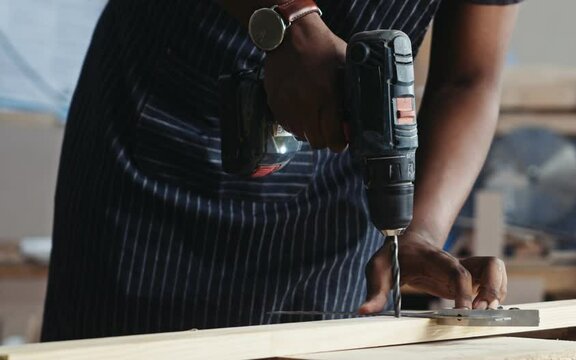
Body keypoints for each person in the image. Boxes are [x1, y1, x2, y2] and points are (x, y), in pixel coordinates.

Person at [41, 0, 521, 341]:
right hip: (162, 136)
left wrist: (419, 230)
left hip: (339, 178)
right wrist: (287, 17)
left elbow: (469, 78)